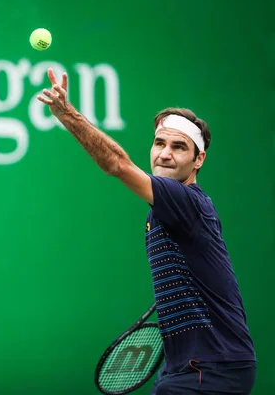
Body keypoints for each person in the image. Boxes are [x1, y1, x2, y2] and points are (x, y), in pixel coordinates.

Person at [36, 68, 256, 394]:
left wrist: (66, 114)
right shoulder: (165, 208)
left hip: (212, 366)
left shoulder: (186, 201)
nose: (165, 154)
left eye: (179, 147)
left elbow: (117, 164)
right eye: (159, 143)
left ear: (199, 160)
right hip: (182, 366)